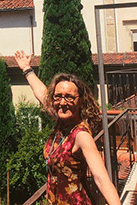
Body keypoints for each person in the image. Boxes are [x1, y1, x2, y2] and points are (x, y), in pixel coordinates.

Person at [14, 50, 121, 205]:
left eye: (69, 97)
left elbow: (101, 178)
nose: (63, 103)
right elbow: (41, 93)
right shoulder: (61, 121)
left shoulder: (81, 135)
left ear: (81, 101)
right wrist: (26, 69)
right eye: (58, 96)